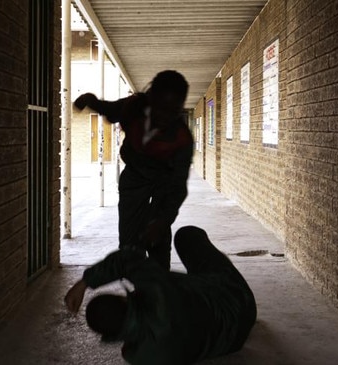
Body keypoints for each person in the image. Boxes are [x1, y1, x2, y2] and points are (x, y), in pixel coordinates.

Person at [64, 225, 257, 365]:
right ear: (124, 299)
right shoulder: (156, 289)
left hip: (233, 341)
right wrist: (84, 283)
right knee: (188, 235)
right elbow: (128, 259)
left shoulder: (139, 357)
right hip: (236, 299)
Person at [73, 70, 194, 270]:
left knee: (158, 241)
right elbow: (110, 110)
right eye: (161, 108)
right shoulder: (133, 107)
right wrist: (90, 100)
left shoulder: (181, 138)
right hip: (135, 177)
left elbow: (178, 187)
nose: (164, 117)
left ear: (179, 108)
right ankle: (132, 283)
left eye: (171, 111)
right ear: (151, 97)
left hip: (163, 181)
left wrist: (162, 221)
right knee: (129, 243)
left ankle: (158, 285)